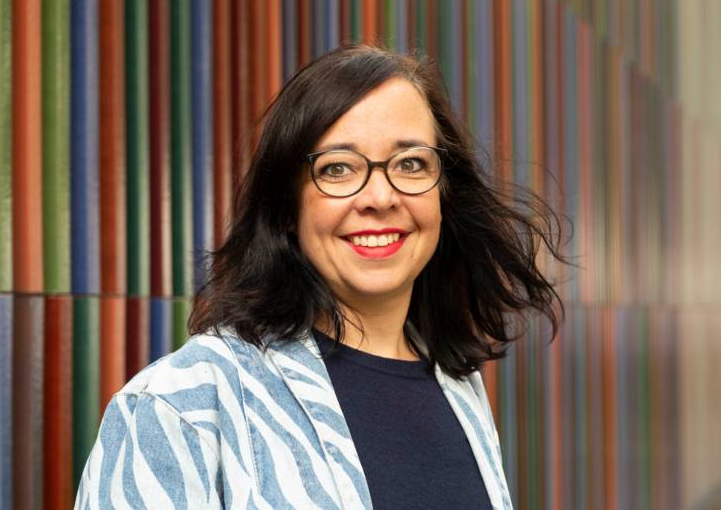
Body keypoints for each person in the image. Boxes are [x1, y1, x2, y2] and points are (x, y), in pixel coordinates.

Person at [75, 44, 566, 509]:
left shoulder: (458, 387)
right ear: (287, 205)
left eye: (411, 163)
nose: (379, 197)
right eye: (337, 169)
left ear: (444, 193)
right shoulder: (183, 404)